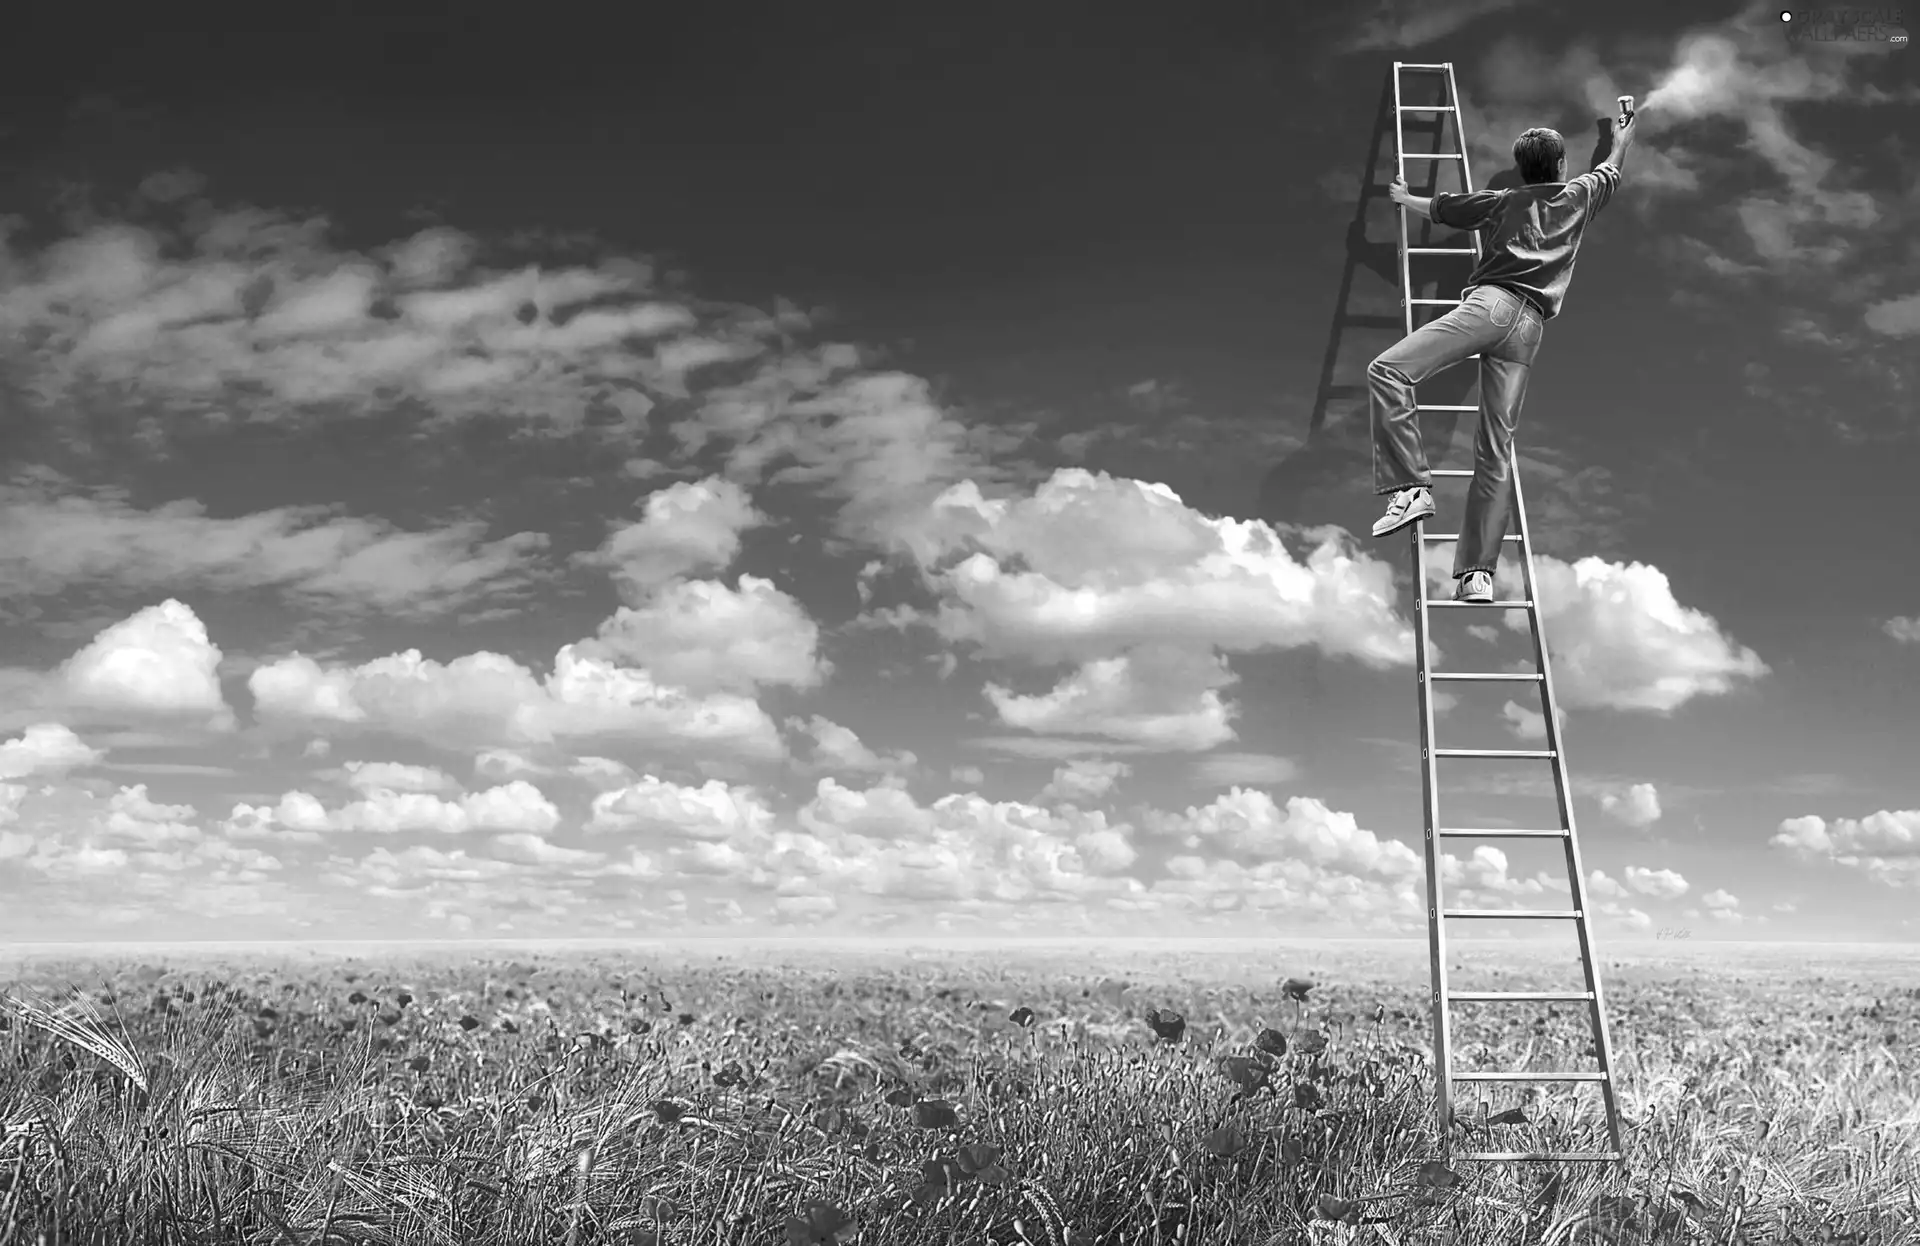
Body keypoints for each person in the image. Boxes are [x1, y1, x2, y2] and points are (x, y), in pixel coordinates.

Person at [1368, 107, 1637, 603]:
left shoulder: (1501, 201)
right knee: (1495, 450)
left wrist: (1405, 198)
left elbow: (1444, 209)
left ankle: (1411, 487)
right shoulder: (1579, 196)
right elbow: (1612, 169)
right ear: (1559, 167)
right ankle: (1477, 575)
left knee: (1387, 370)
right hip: (1529, 331)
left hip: (1491, 306)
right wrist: (1621, 135)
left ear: (1523, 169)